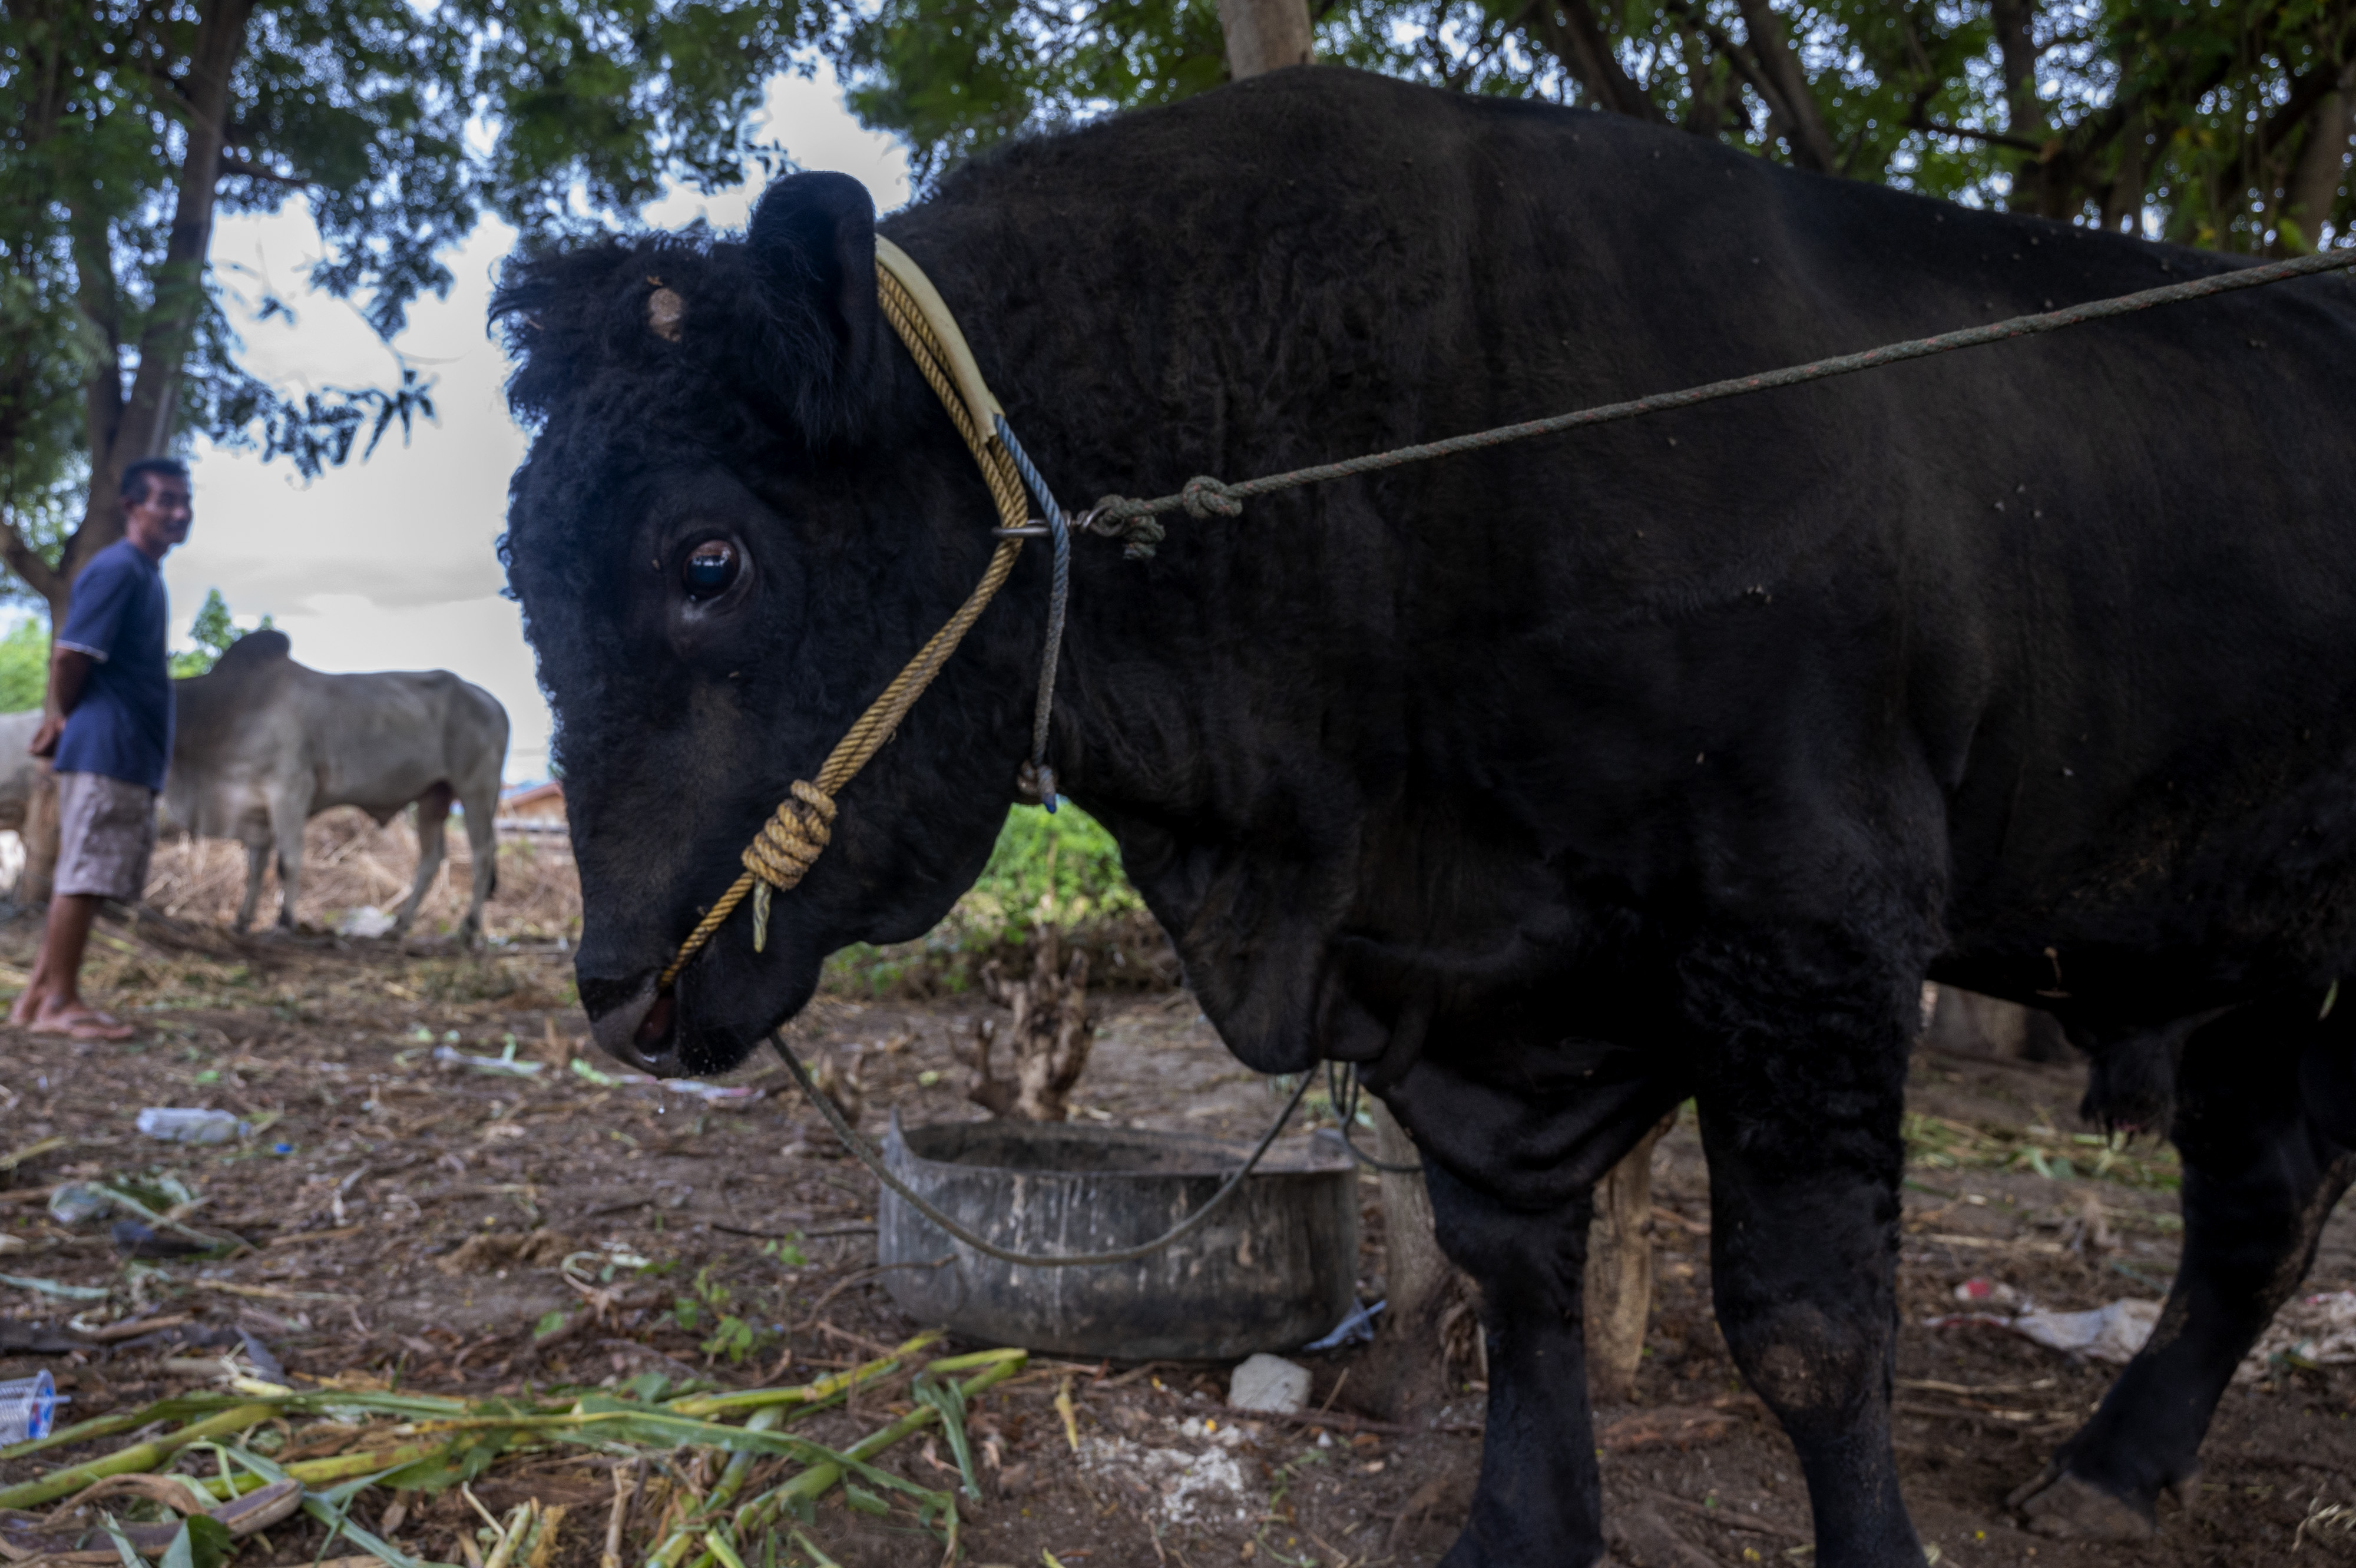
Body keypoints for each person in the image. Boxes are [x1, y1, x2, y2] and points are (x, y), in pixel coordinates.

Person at [10, 458, 190, 1040]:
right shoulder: (118, 570)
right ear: (132, 507)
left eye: (184, 502)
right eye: (165, 500)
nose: (179, 512)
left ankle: (38, 998)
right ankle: (60, 1002)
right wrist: (62, 716)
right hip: (106, 748)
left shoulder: (143, 574)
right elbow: (70, 654)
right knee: (83, 878)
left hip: (123, 750)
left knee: (84, 875)